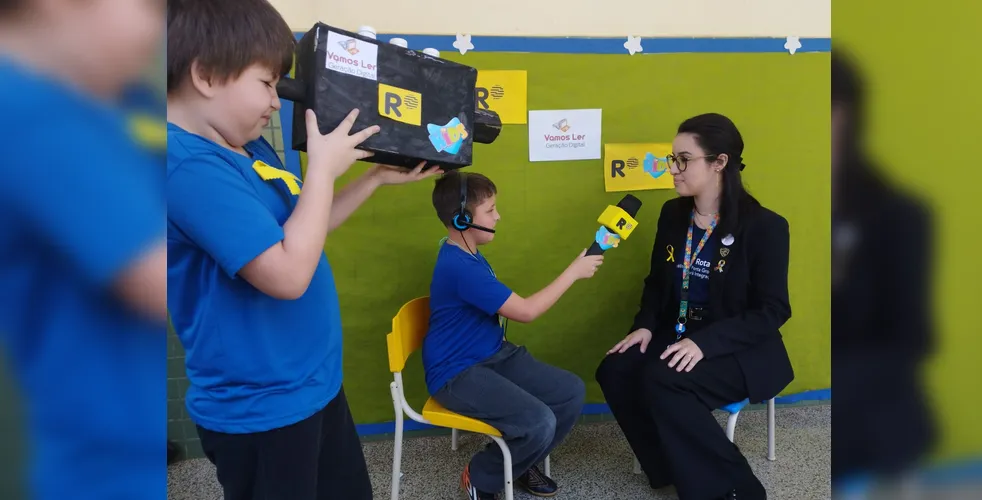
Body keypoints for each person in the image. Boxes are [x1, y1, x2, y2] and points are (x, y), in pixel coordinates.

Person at [165, 1, 439, 498]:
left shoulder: (248, 148)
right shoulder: (185, 167)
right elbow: (288, 276)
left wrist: (374, 177)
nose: (276, 101)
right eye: (267, 83)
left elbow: (302, 234)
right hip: (264, 411)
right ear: (205, 74)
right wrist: (321, 170)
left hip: (314, 386)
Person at [0, 0, 168, 499]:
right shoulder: (32, 115)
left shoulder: (111, 102)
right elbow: (157, 282)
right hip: (106, 468)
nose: (158, 28)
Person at [595, 113, 794, 500]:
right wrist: (646, 326)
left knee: (662, 379)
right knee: (615, 369)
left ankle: (736, 489)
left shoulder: (765, 227)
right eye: (672, 159)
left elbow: (772, 310)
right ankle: (669, 468)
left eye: (683, 159)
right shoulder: (673, 214)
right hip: (679, 330)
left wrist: (705, 345)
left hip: (736, 346)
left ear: (719, 163)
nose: (673, 169)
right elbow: (656, 283)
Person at [424, 171, 599, 499]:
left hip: (492, 353)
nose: (498, 215)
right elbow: (527, 312)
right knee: (539, 422)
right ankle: (481, 476)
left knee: (570, 392)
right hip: (455, 372)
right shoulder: (459, 266)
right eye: (490, 211)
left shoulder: (466, 252)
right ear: (463, 220)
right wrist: (573, 273)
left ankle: (518, 462)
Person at [830, 50, 935, 492]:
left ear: (846, 115)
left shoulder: (898, 215)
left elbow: (912, 338)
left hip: (875, 416)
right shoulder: (773, 220)